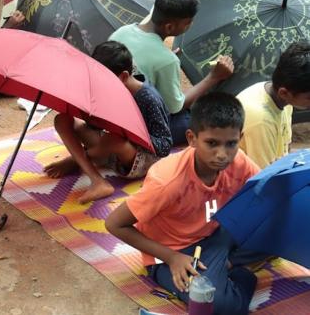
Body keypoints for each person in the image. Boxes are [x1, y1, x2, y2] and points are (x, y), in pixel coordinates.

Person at [105, 92, 262, 315]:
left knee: (281, 231)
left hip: (216, 232)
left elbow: (263, 191)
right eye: (212, 143)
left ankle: (223, 264)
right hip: (175, 250)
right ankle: (238, 274)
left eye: (231, 144)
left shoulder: (239, 161)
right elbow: (114, 224)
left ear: (240, 138)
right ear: (192, 139)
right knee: (214, 305)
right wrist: (172, 258)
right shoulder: (167, 181)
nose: (222, 154)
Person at [44, 41, 172, 203]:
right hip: (108, 148)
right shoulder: (111, 89)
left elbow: (165, 146)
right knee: (62, 119)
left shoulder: (149, 98)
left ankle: (77, 160)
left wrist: (131, 133)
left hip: (142, 158)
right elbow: (97, 126)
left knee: (114, 140)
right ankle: (97, 180)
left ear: (124, 76)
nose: (99, 85)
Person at [109, 0, 234, 145]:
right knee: (195, 120)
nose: (191, 25)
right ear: (169, 27)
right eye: (188, 23)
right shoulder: (167, 60)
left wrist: (164, 59)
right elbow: (176, 107)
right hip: (134, 123)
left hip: (112, 109)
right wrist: (213, 77)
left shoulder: (121, 32)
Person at [237, 41, 310, 168]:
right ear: (284, 93)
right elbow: (261, 179)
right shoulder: (261, 121)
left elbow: (284, 151)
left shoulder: (282, 98)